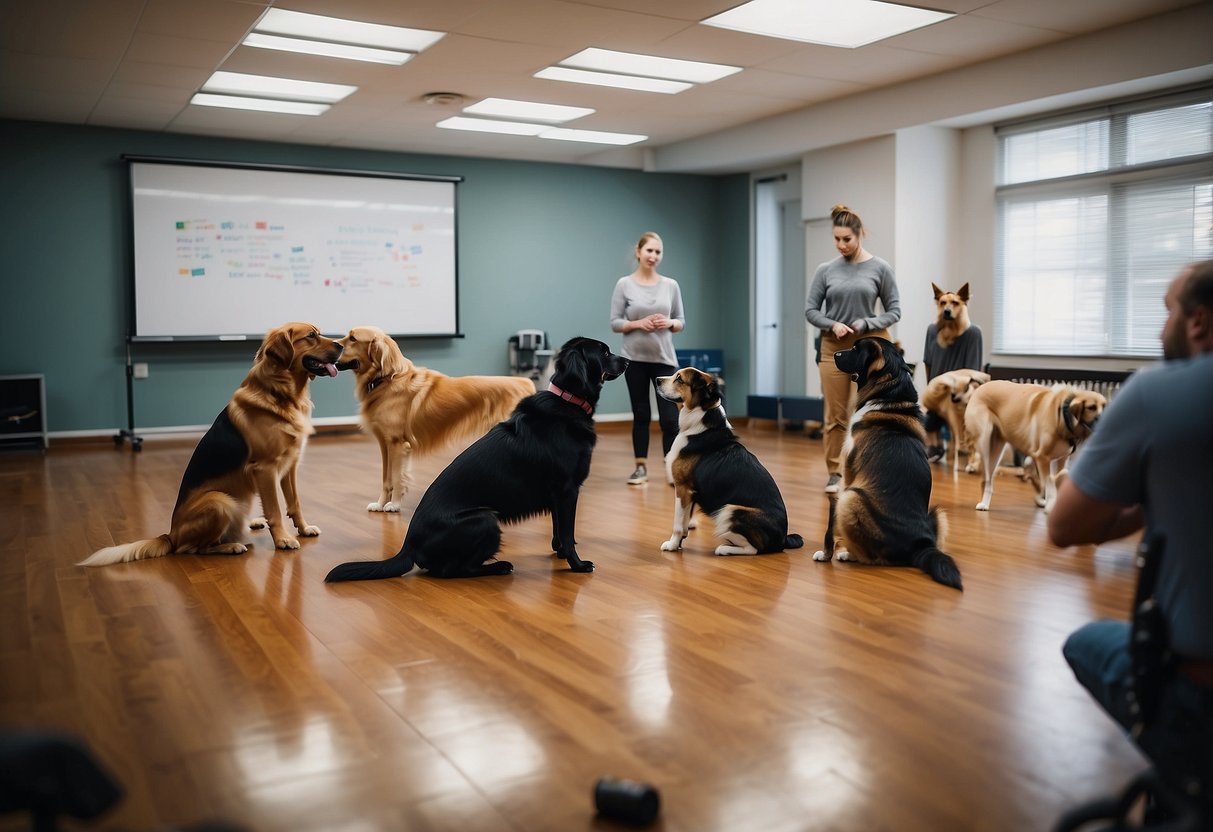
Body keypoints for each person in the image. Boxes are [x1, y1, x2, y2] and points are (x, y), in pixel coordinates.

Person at [1048, 260, 1213, 825]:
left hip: (1199, 691)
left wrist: (1147, 497)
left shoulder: (1156, 394)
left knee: (1085, 641)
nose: (1159, 327)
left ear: (1200, 323)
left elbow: (1064, 527)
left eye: (1167, 310)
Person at [805, 204, 901, 493]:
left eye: (847, 239)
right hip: (833, 346)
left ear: (860, 235)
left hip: (869, 347)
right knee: (835, 415)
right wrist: (832, 324)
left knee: (868, 411)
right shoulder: (826, 270)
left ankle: (867, 469)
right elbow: (810, 310)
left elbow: (894, 310)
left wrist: (867, 322)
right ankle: (835, 473)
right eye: (836, 239)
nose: (841, 245)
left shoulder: (880, 268)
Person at [610, 231, 686, 485]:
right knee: (641, 414)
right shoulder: (624, 284)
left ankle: (670, 467)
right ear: (638, 252)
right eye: (649, 250)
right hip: (634, 360)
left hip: (664, 360)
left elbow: (680, 321)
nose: (653, 256)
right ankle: (640, 468)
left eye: (658, 252)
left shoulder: (670, 285)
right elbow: (615, 322)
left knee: (669, 419)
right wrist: (638, 323)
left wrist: (670, 322)